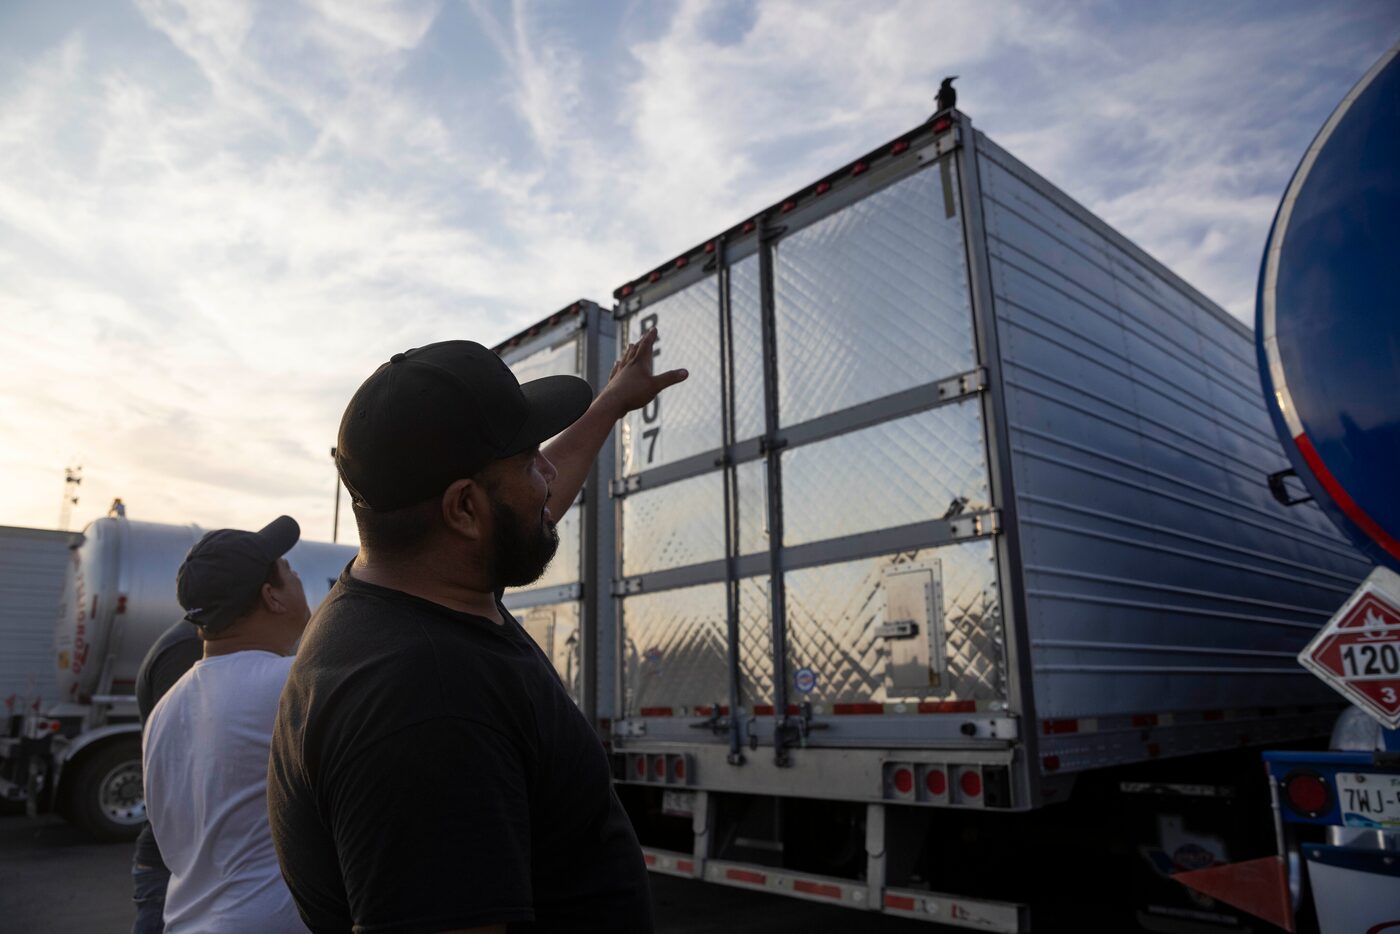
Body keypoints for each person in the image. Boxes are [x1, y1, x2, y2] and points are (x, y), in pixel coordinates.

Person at [269, 331, 686, 933]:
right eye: (528, 460)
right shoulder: (426, 704)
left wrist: (609, 406)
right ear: (463, 510)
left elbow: (527, 512)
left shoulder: (411, 593)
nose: (547, 473)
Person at [143, 516, 312, 933]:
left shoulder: (166, 709)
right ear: (272, 596)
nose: (298, 577)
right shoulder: (292, 684)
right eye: (289, 570)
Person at [130, 620, 202, 933]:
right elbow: (184, 754)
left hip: (172, 859)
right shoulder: (187, 648)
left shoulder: (182, 641)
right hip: (171, 863)